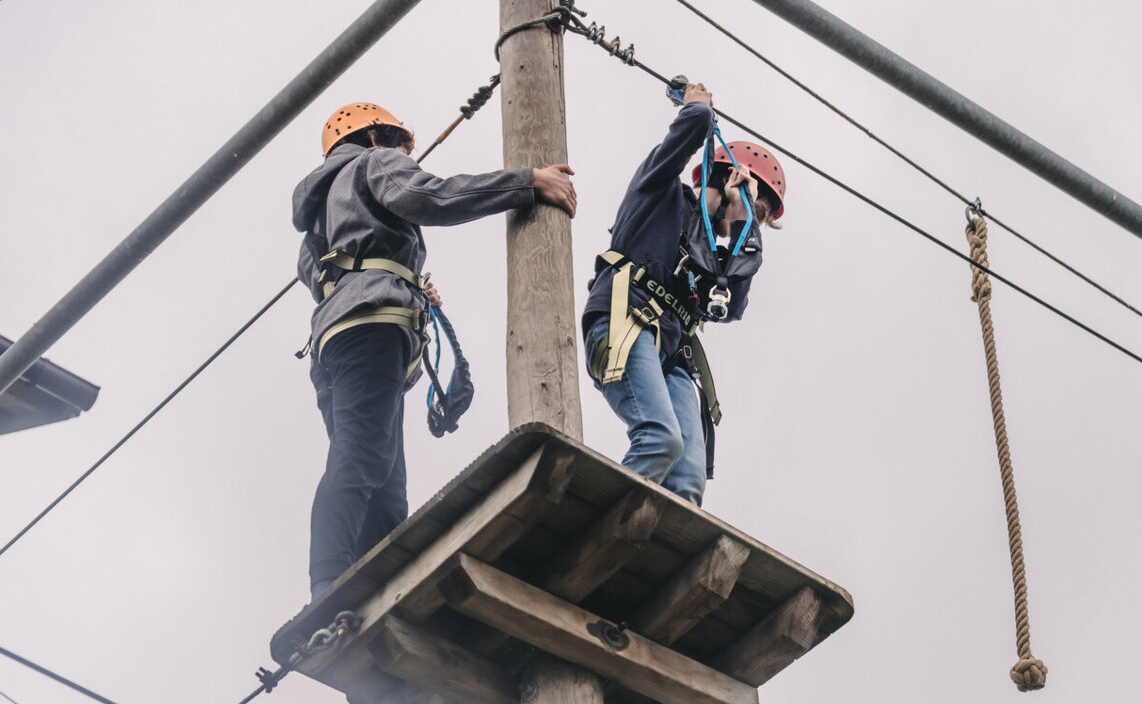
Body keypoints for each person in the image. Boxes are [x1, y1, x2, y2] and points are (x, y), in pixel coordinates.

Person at [294, 101, 576, 600]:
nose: (409, 154)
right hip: (372, 326)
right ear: (376, 137)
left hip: (335, 340)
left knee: (381, 483)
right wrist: (526, 182)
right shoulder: (373, 162)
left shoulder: (318, 215)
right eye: (404, 145)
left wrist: (409, 291)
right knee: (362, 460)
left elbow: (341, 273)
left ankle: (365, 595)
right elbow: (430, 196)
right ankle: (328, 585)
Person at [582, 83, 785, 506]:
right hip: (626, 321)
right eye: (751, 212)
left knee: (689, 478)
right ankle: (588, 528)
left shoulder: (709, 259)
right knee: (660, 440)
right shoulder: (660, 193)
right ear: (729, 178)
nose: (748, 224)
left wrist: (743, 213)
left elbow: (733, 306)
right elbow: (692, 127)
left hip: (672, 355)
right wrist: (698, 106)